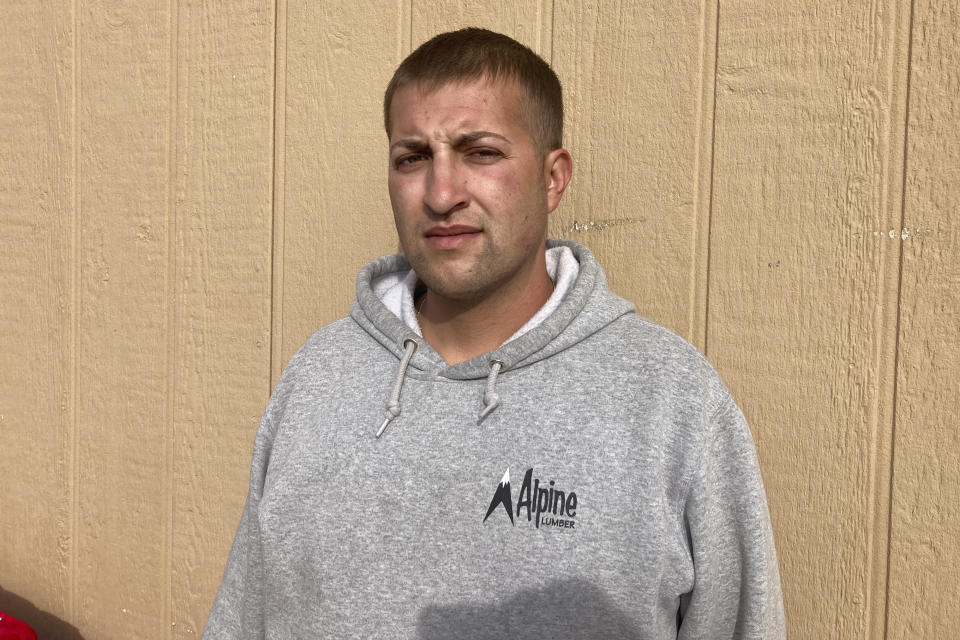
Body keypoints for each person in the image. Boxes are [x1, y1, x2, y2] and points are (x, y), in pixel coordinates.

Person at [203, 28, 785, 639]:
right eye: (413, 158)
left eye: (480, 152)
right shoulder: (319, 376)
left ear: (553, 178)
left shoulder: (671, 400)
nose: (441, 193)